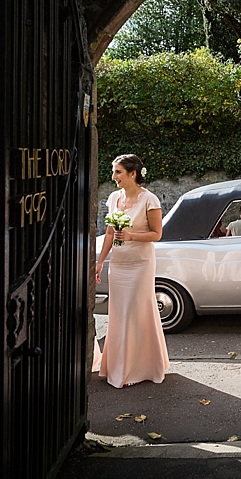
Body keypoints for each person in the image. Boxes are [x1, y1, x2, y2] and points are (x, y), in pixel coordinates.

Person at [94, 154, 169, 388]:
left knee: (138, 312)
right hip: (118, 264)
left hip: (140, 264)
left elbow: (156, 234)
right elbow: (108, 233)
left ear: (132, 174)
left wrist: (130, 236)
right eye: (114, 171)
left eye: (118, 172)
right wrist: (100, 262)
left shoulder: (150, 200)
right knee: (119, 313)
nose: (113, 176)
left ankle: (143, 367)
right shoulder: (114, 197)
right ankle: (118, 366)